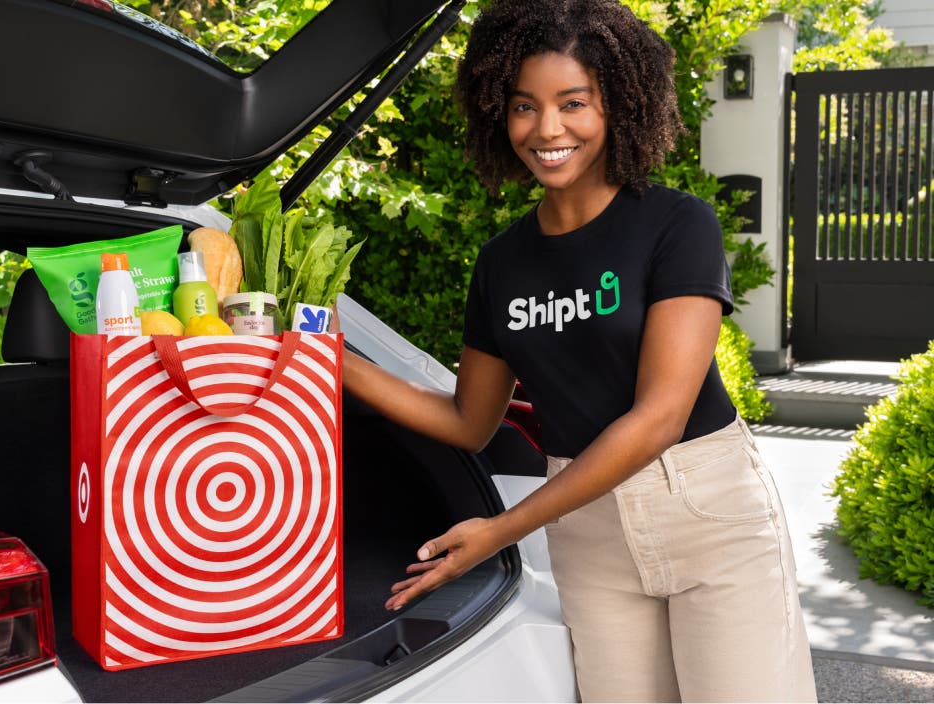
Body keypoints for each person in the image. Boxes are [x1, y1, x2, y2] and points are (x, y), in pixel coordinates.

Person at [339, 0, 817, 700]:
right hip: (587, 534)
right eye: (525, 106)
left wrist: (502, 529)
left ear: (616, 105)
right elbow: (469, 420)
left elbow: (659, 416)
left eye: (573, 103)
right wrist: (327, 361)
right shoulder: (502, 263)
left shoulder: (676, 224)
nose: (548, 129)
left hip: (707, 511)